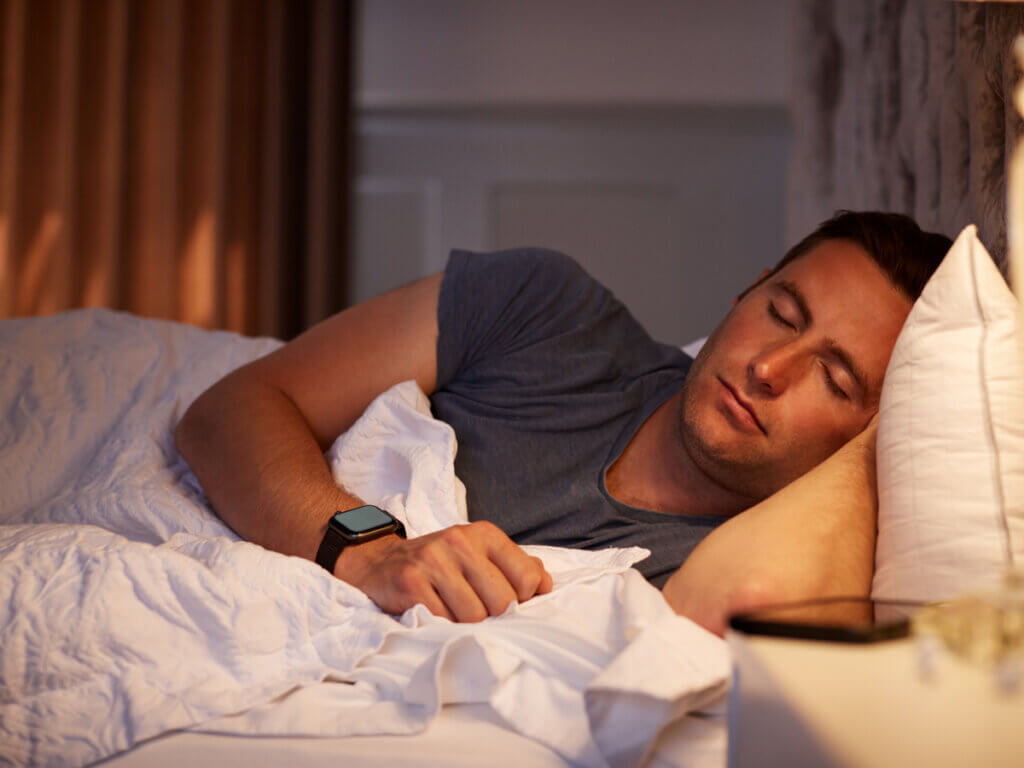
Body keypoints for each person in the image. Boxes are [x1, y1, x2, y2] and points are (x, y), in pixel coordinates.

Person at [175, 210, 951, 633]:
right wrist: (370, 549)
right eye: (781, 314)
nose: (769, 368)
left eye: (834, 377)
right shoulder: (543, 307)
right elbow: (229, 411)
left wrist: (877, 448)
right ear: (744, 296)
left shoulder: (754, 568)